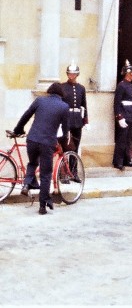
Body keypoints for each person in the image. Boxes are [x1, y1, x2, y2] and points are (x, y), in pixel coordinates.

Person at [13, 83, 70, 215]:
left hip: (32, 139)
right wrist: (61, 143)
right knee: (45, 174)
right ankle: (42, 206)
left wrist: (18, 130)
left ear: (49, 91)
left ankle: (27, 184)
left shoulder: (40, 100)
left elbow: (26, 115)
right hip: (47, 143)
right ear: (61, 93)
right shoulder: (64, 106)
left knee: (32, 163)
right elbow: (66, 130)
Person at [112, 60, 132, 171]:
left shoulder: (130, 86)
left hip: (130, 115)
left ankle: (126, 160)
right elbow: (117, 103)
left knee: (128, 140)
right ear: (128, 73)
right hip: (124, 116)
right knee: (121, 140)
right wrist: (119, 117)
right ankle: (118, 161)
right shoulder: (122, 85)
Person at [61, 62, 89, 154]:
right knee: (66, 145)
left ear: (77, 74)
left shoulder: (81, 88)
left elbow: (84, 105)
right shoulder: (62, 87)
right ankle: (64, 167)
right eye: (69, 73)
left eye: (73, 73)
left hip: (77, 120)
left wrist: (85, 120)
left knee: (76, 146)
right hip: (66, 119)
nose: (71, 75)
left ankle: (74, 168)